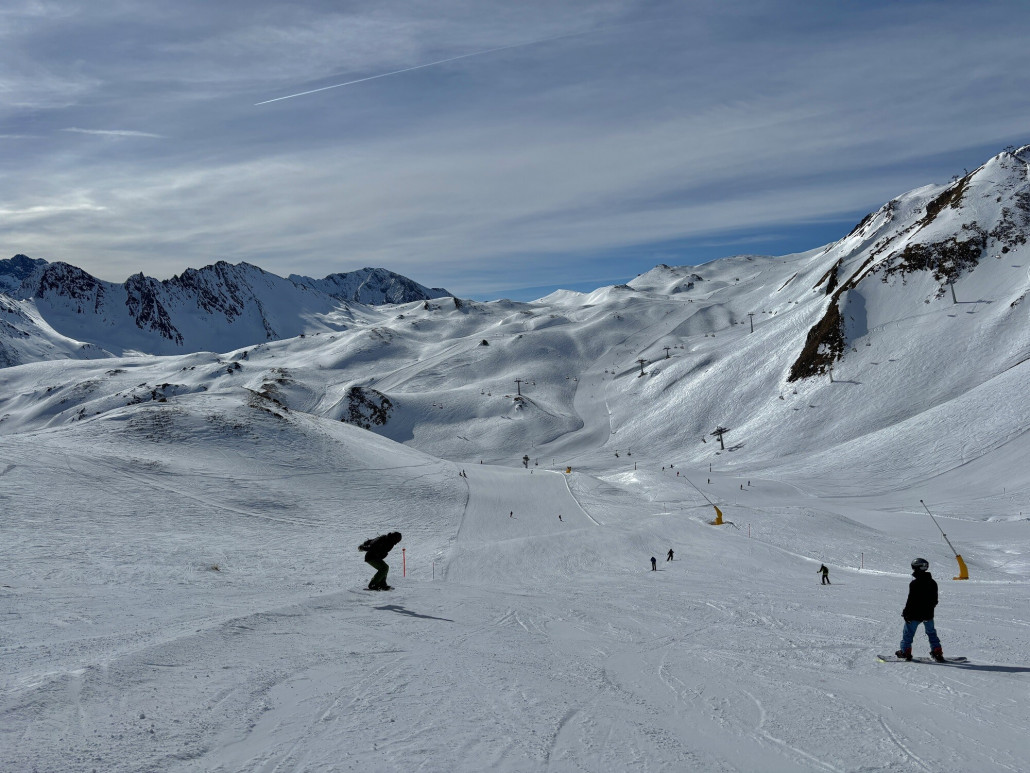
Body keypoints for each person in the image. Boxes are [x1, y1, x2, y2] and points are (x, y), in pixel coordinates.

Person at [896, 558, 944, 661]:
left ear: (916, 568)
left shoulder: (915, 584)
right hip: (928, 614)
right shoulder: (933, 583)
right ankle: (937, 651)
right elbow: (935, 601)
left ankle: (905, 652)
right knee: (931, 633)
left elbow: (911, 601)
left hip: (914, 615)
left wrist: (906, 613)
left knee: (908, 633)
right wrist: (928, 609)